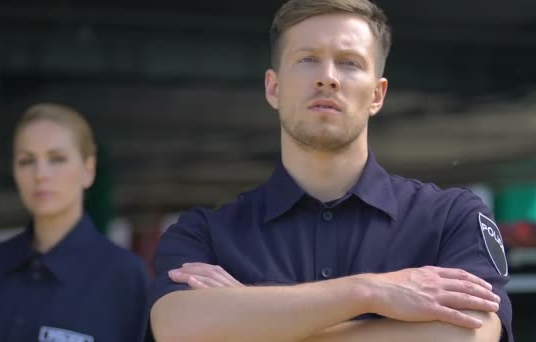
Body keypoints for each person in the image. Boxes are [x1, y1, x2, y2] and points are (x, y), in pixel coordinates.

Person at [148, 0, 513, 341]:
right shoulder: (206, 236)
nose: (328, 77)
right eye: (308, 59)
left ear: (377, 95)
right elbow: (174, 325)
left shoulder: (451, 219)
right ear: (273, 88)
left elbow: (472, 333)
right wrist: (370, 292)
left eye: (349, 62)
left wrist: (255, 319)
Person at [0, 103, 150, 342]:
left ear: (88, 170)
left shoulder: (125, 280)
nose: (40, 174)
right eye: (26, 160)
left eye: (57, 159)